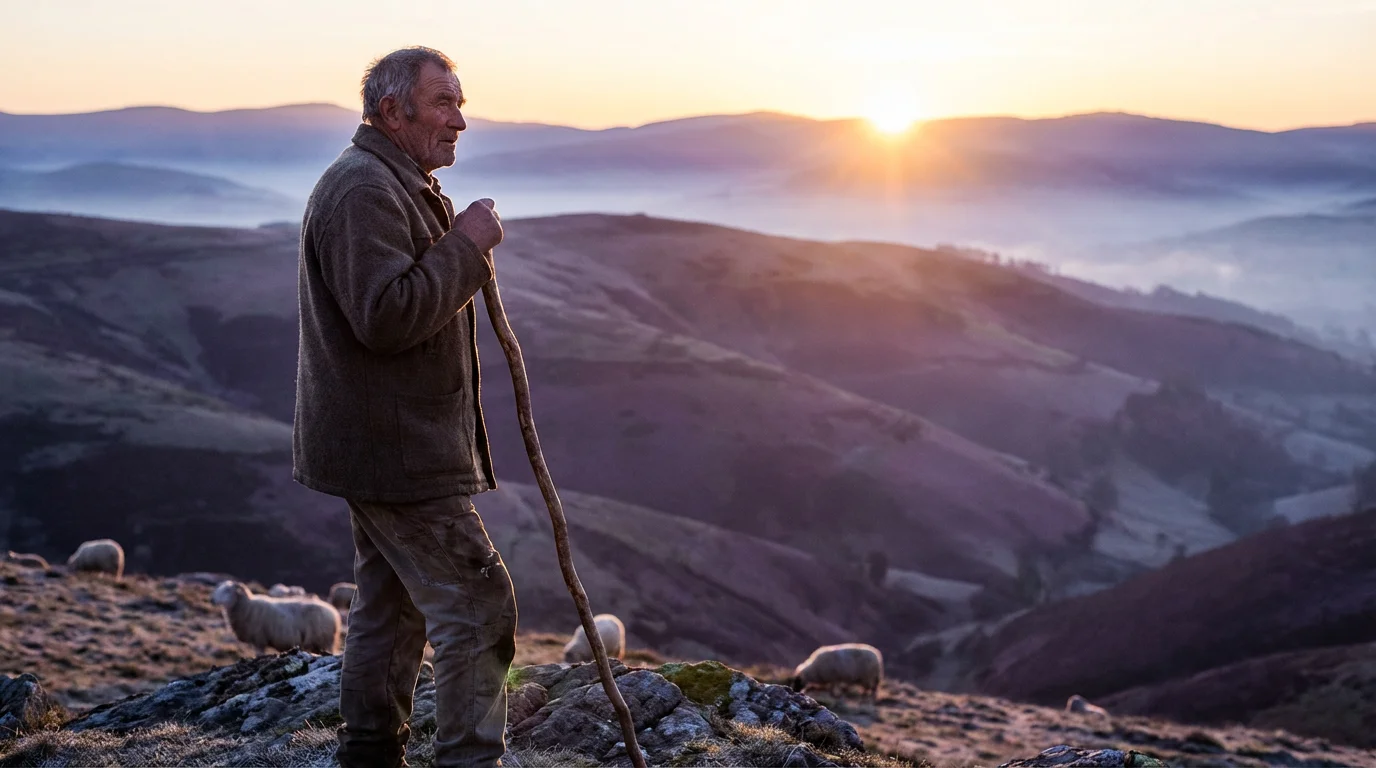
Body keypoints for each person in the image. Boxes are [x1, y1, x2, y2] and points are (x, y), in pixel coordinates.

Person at [292, 45, 517, 768]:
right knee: (479, 604)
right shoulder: (364, 190)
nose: (460, 121)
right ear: (393, 111)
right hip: (398, 452)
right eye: (444, 103)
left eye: (460, 103)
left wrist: (456, 243)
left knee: (392, 610)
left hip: (385, 445)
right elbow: (385, 318)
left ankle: (369, 755)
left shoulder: (392, 179)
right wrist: (467, 246)